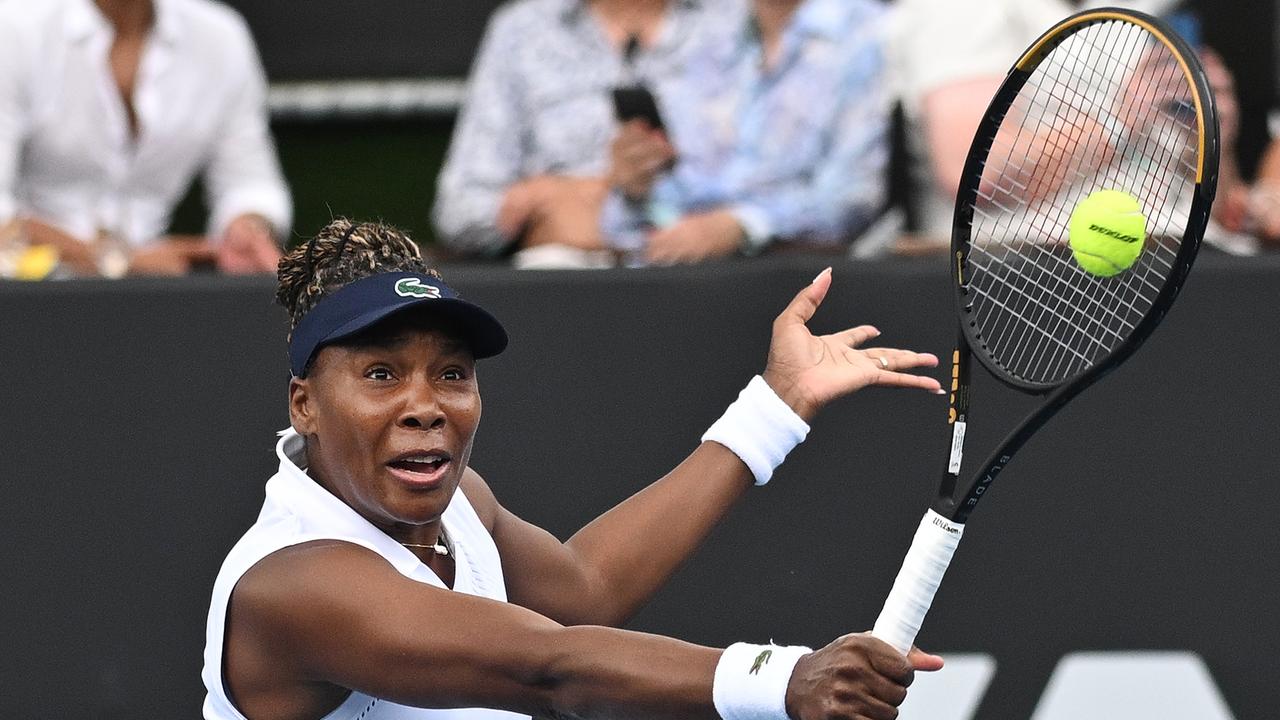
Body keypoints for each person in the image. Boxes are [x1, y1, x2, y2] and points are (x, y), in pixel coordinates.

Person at [203, 217, 948, 719]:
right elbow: (548, 663)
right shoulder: (293, 583)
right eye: (380, 375)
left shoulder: (461, 500)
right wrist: (785, 680)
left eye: (452, 375)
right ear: (303, 405)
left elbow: (582, 597)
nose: (426, 405)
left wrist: (774, 410)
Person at [887, 0, 1245, 252]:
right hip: (1019, 272)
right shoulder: (957, 9)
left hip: (1193, 263)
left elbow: (1224, 204)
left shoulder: (1164, 9)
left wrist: (1213, 140)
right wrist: (1120, 120)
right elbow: (975, 174)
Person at [0, 0, 291, 277]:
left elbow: (250, 184)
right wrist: (122, 262)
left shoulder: (222, 37)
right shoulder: (14, 26)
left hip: (159, 293)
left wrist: (247, 228)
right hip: (23, 295)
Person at [432, 0, 734, 266]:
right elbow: (459, 212)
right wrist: (542, 196)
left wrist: (731, 224)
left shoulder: (733, 21)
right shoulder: (523, 30)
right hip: (562, 275)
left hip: (707, 268)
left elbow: (774, 186)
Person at [599, 0, 891, 265]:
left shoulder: (868, 32)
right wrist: (636, 189)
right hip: (688, 274)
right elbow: (651, 212)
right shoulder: (714, 36)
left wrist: (743, 226)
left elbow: (852, 199)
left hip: (805, 278)